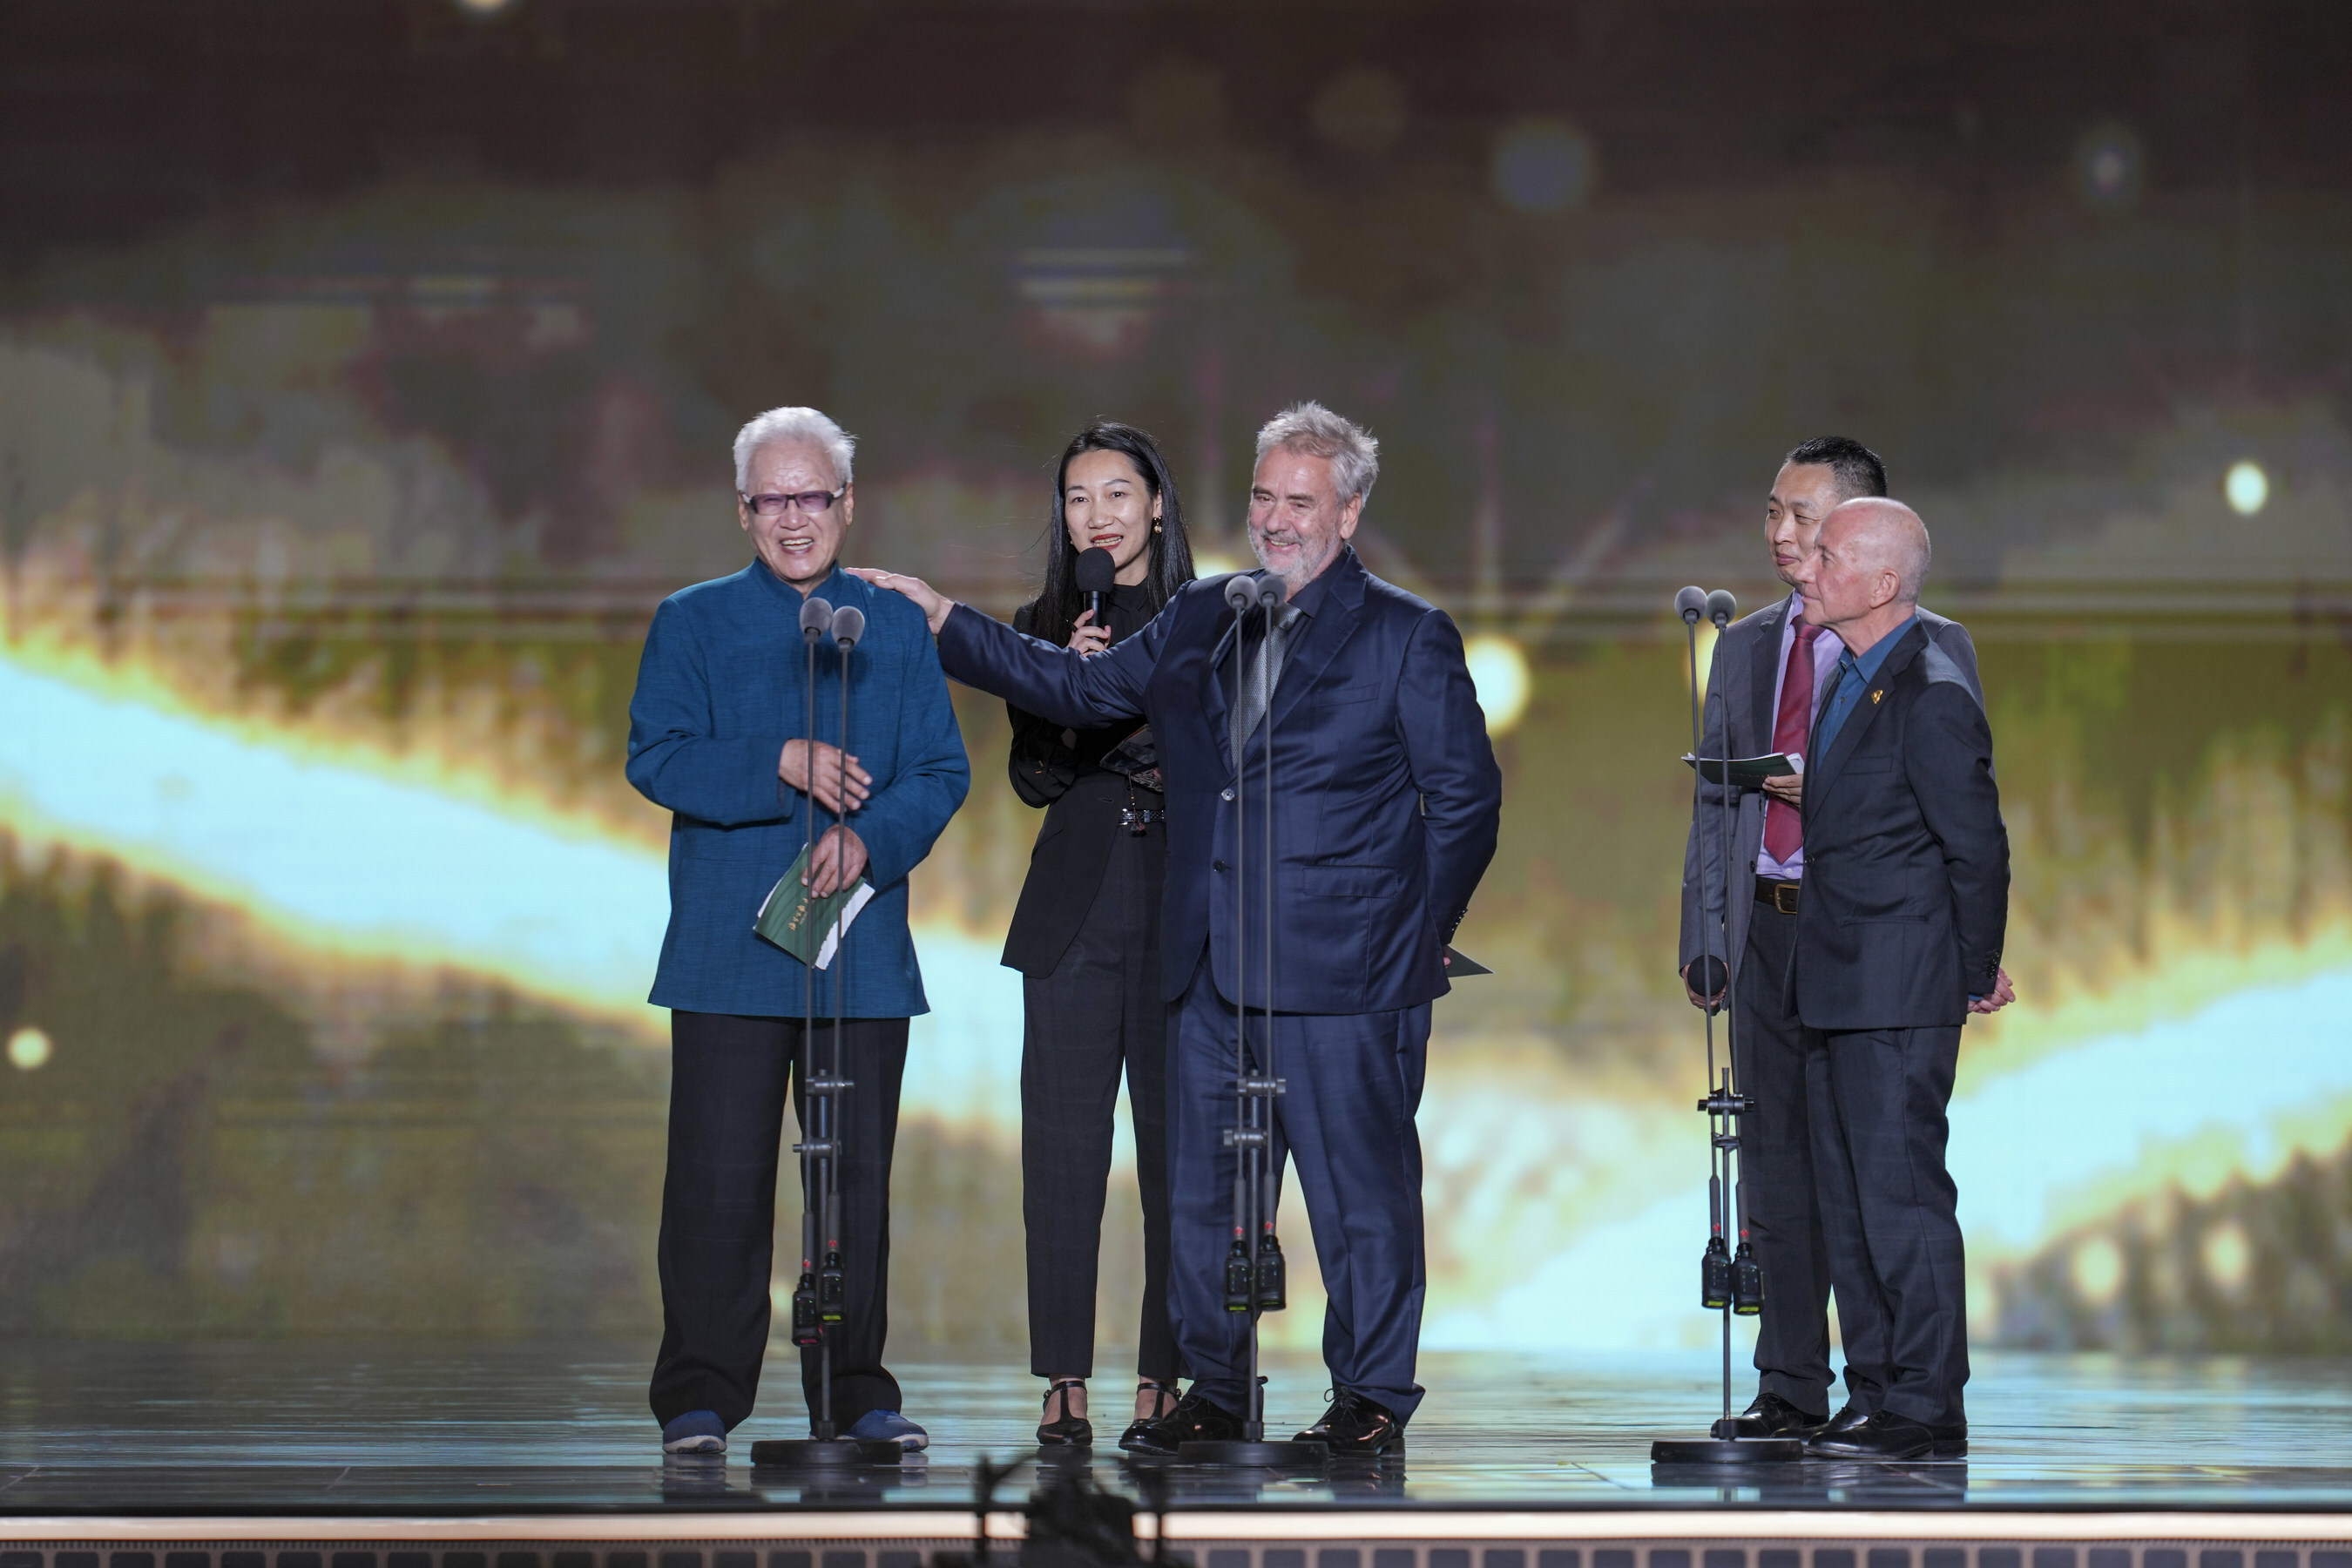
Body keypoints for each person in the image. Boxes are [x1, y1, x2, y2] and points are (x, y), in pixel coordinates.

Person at [857, 402, 1502, 1459]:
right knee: (1206, 1194)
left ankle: (1371, 1396)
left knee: (1361, 1197)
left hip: (1352, 975)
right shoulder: (1207, 610)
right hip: (1211, 967)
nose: (1276, 519)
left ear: (1348, 512)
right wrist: (943, 619)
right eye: (1262, 496)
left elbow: (1465, 803)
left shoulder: (1406, 632)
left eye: (1301, 502)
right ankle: (1217, 1390)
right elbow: (1076, 687)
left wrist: (1416, 933)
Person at [625, 405, 970, 1456]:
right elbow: (656, 757)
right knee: (717, 1186)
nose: (793, 517)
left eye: (811, 495)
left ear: (846, 504)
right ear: (743, 511)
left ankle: (854, 1392)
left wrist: (870, 839)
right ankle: (699, 1397)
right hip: (729, 954)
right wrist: (773, 760)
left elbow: (940, 771)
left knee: (852, 1188)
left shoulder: (895, 626)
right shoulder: (693, 621)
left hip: (857, 953)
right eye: (771, 499)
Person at [1678, 436, 2007, 1439]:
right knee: (1793, 1170)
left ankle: (1903, 1393)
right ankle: (1807, 1388)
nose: (1787, 543)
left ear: (1870, 550)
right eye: (1775, 515)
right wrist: (1708, 932)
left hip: (1879, 951)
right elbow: (1712, 807)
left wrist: (1969, 961)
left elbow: (1965, 829)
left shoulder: (1927, 661)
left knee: (1885, 1178)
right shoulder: (1754, 646)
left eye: (1810, 526)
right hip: (1781, 940)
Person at [1781, 497, 2011, 1462]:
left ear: (1882, 583)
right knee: (1849, 1201)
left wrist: (1968, 971)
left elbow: (1978, 849)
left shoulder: (1931, 690)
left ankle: (1925, 1402)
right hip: (1835, 981)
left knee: (1902, 1196)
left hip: (1899, 986)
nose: (1807, 568)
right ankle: (1873, 1389)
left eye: (1828, 556)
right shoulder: (1853, 677)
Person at [1003, 422, 1197, 1450]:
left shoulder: (1208, 617)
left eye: (1117, 494)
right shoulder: (1040, 624)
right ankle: (1063, 1379)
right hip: (1073, 913)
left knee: (1177, 1158)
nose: (1099, 516)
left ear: (1156, 504)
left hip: (1177, 907)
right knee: (1063, 1155)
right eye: (1079, 498)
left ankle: (1165, 1374)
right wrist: (1068, 688)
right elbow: (1034, 779)